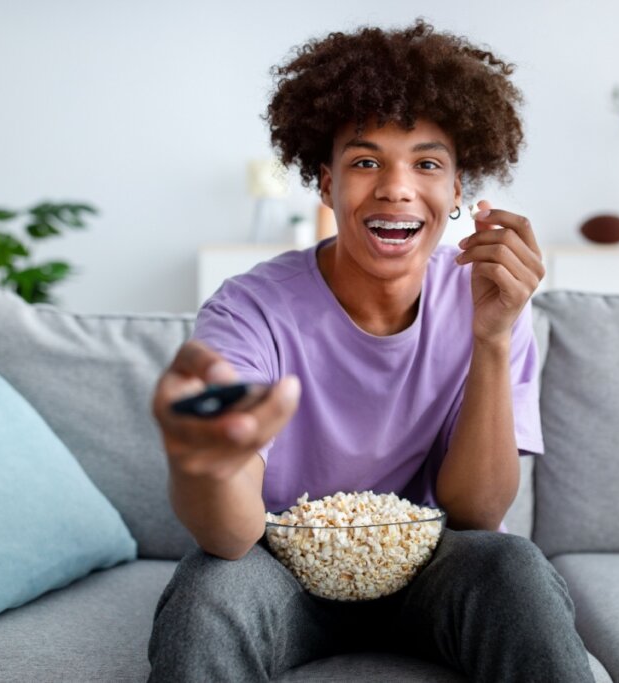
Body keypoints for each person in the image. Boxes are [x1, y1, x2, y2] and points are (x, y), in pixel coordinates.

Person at [148, 19, 594, 682]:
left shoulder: (486, 299)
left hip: (435, 565)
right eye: (363, 161)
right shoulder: (250, 310)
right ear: (324, 182)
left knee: (515, 566)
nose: (395, 186)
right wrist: (206, 461)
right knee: (207, 589)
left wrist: (493, 336)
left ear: (459, 188)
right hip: (281, 570)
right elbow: (231, 536)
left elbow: (477, 513)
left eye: (427, 162)